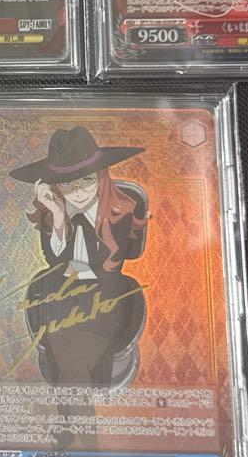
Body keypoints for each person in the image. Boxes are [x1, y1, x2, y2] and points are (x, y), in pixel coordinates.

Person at [9, 127, 149, 388]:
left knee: (93, 310)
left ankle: (83, 385)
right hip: (65, 290)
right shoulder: (52, 213)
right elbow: (55, 262)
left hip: (106, 289)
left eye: (87, 180)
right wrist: (58, 216)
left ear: (101, 177)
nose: (78, 191)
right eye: (67, 184)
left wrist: (77, 270)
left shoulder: (120, 212)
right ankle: (74, 385)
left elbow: (108, 265)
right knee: (52, 291)